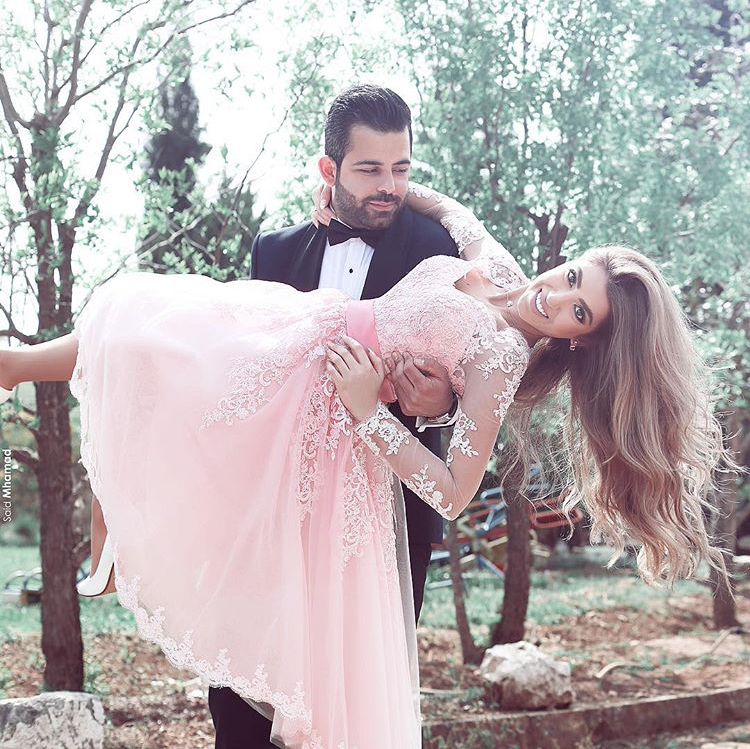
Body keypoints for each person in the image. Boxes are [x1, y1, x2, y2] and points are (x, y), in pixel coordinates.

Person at [0, 180, 731, 747]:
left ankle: (115, 521)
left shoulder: (502, 359)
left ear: (581, 340)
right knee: (154, 329)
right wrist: (347, 191)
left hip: (324, 412)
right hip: (301, 334)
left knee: (165, 357)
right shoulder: (496, 261)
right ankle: (19, 371)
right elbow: (436, 198)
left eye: (578, 311)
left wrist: (367, 410)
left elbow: (453, 491)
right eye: (573, 276)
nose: (557, 295)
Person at [209, 84, 460, 748]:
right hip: (275, 512)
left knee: (355, 705)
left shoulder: (441, 251)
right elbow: (250, 371)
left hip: (378, 525)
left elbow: (477, 372)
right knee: (244, 698)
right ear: (329, 170)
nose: (389, 187)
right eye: (369, 169)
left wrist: (442, 406)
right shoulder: (274, 251)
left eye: (401, 168)